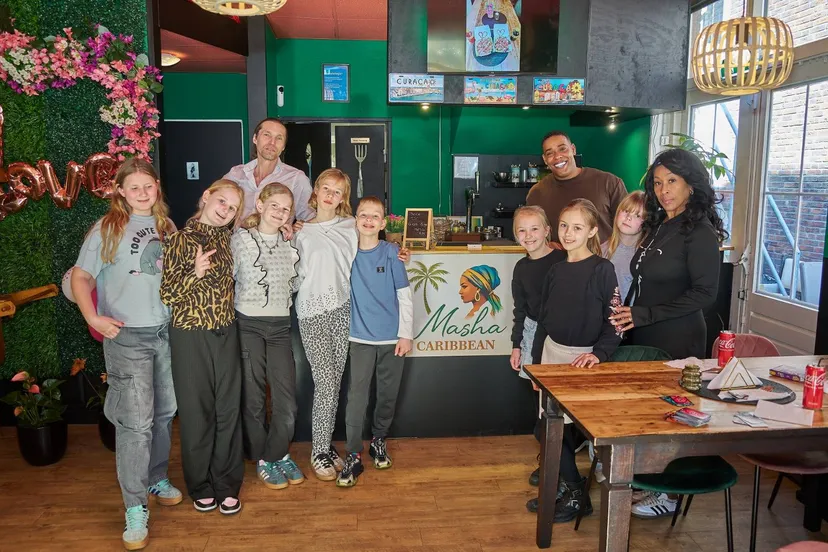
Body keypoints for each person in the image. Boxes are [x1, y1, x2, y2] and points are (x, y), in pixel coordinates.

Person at [71, 158, 180, 551]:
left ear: (157, 186)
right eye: (133, 187)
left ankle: (156, 478)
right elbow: (81, 276)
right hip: (127, 336)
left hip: (166, 332)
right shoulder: (107, 228)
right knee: (136, 424)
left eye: (147, 185)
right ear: (120, 191)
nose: (142, 193)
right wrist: (93, 317)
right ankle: (135, 507)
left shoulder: (167, 226)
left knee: (165, 413)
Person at [527, 198, 622, 522]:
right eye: (564, 226)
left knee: (563, 431)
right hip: (551, 356)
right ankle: (567, 487)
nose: (568, 233)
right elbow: (543, 320)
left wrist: (598, 354)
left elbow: (616, 323)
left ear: (592, 231)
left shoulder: (602, 270)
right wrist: (536, 366)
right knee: (547, 429)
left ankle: (576, 495)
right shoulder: (555, 270)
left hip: (582, 361)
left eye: (577, 227)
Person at [160, 179, 246, 516]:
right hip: (190, 335)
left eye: (233, 208)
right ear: (207, 197)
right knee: (197, 413)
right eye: (222, 201)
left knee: (228, 410)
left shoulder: (229, 239)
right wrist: (194, 273)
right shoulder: (180, 239)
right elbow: (168, 294)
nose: (226, 211)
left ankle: (227, 483)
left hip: (226, 331)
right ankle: (200, 485)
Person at [610, 148, 725, 360]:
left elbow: (705, 293)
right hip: (643, 330)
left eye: (672, 181)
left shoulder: (700, 232)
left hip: (677, 338)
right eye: (657, 183)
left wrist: (648, 314)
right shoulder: (660, 224)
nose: (663, 190)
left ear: (690, 185)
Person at [231, 182, 305, 491]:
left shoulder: (291, 243)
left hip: (279, 328)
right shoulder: (240, 240)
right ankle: (264, 458)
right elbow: (227, 278)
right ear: (260, 206)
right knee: (254, 398)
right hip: (247, 325)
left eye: (286, 209)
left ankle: (277, 454)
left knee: (287, 402)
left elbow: (296, 282)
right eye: (274, 205)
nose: (280, 212)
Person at [336, 196, 414, 488]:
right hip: (358, 338)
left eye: (374, 216)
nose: (368, 220)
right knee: (356, 399)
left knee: (387, 395)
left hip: (392, 339)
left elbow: (404, 295)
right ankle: (353, 453)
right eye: (363, 215)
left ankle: (379, 440)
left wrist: (406, 334)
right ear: (354, 220)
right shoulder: (345, 251)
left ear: (383, 223)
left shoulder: (392, 252)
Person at [293, 168, 358, 481]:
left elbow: (373, 251)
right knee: (326, 383)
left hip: (342, 309)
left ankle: (325, 443)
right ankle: (318, 450)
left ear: (343, 197)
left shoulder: (351, 226)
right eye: (326, 188)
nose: (331, 195)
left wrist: (399, 250)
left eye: (337, 191)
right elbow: (292, 274)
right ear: (315, 191)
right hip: (312, 311)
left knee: (335, 382)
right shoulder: (299, 231)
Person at [527, 131, 627, 244]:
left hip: (605, 255)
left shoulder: (609, 182)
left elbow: (628, 230)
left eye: (562, 149)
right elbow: (533, 236)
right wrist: (547, 245)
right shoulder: (536, 193)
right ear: (545, 159)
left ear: (573, 149)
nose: (557, 156)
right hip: (557, 256)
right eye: (550, 153)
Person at [509, 206, 566, 380]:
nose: (528, 236)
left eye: (534, 229)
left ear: (546, 231)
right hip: (532, 332)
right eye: (522, 230)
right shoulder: (520, 268)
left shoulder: (563, 260)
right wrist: (516, 345)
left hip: (560, 334)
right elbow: (520, 309)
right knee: (535, 385)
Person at [224, 117, 315, 222]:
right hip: (237, 233)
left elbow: (310, 218)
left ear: (283, 147)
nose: (272, 142)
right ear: (255, 138)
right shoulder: (235, 174)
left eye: (279, 138)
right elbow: (213, 204)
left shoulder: (297, 179)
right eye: (267, 135)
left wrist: (296, 227)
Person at [602, 190, 647, 302]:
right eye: (626, 211)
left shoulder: (646, 256)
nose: (628, 218)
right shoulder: (602, 249)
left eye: (637, 215)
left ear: (646, 222)